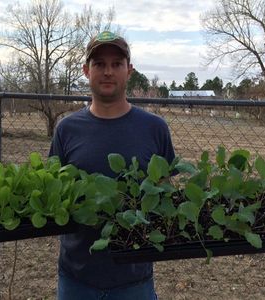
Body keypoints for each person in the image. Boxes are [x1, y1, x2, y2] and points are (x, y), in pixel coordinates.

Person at [49, 31, 176, 300]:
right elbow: (53, 194)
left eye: (116, 64)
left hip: (134, 281)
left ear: (129, 71)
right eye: (99, 64)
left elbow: (165, 195)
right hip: (77, 278)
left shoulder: (154, 129)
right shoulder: (67, 130)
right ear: (86, 70)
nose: (108, 72)